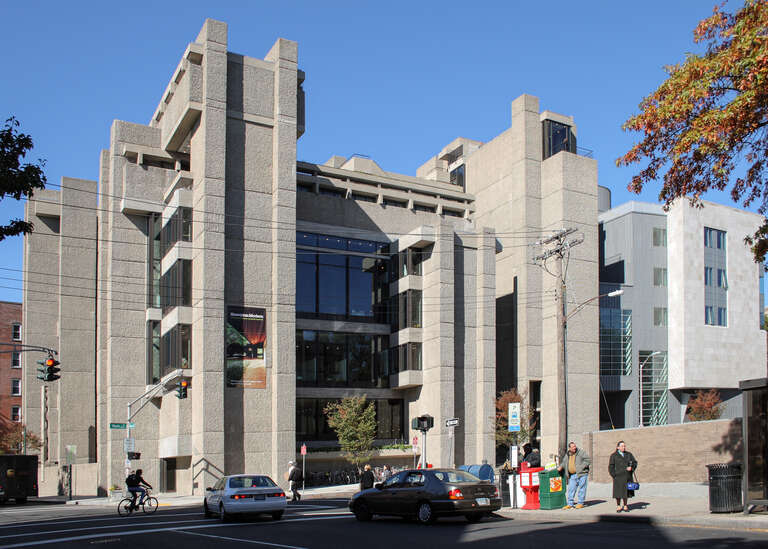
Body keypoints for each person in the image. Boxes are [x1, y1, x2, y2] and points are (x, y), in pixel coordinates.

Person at [558, 441, 591, 509]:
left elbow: (588, 460)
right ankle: (570, 504)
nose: (574, 448)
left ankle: (580, 503)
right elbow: (564, 462)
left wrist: (581, 467)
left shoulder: (581, 452)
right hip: (572, 475)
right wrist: (561, 466)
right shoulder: (568, 454)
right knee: (571, 489)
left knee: (582, 488)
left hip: (582, 474)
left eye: (575, 446)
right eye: (573, 447)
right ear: (569, 448)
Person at [608, 440, 638, 512]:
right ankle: (618, 506)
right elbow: (611, 466)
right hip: (618, 477)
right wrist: (614, 475)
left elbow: (635, 462)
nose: (624, 447)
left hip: (627, 476)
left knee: (626, 492)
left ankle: (625, 505)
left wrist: (631, 468)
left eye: (624, 446)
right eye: (622, 446)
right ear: (618, 447)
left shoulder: (629, 454)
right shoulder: (613, 455)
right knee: (618, 493)